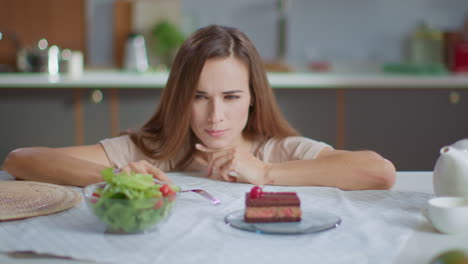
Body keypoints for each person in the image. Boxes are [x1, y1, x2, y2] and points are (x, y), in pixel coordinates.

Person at [2, 25, 396, 190]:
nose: (215, 117)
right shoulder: (155, 149)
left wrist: (266, 172)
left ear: (253, 96)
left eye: (231, 97)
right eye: (199, 97)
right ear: (180, 98)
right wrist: (119, 177)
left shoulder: (275, 150)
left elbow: (379, 172)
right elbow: (21, 159)